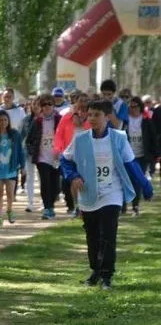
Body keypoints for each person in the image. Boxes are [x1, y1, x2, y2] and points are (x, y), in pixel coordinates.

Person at [61, 99, 153, 290]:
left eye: (97, 115)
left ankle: (106, 275)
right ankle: (95, 271)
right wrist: (73, 176)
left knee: (108, 234)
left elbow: (131, 164)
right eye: (90, 114)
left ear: (107, 117)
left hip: (112, 193)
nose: (92, 118)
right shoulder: (80, 139)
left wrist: (145, 185)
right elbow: (65, 160)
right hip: (88, 194)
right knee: (92, 235)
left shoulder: (119, 138)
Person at [26, 94, 63, 220]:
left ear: (53, 105)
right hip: (42, 158)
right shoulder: (37, 121)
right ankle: (48, 208)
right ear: (41, 106)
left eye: (49, 104)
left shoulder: (59, 119)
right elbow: (29, 139)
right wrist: (33, 151)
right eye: (44, 104)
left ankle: (51, 204)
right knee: (45, 183)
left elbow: (66, 136)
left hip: (57, 157)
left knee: (56, 186)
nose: (47, 106)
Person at [54, 94, 91, 215]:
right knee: (71, 181)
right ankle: (76, 206)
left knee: (84, 181)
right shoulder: (67, 117)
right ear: (76, 102)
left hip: (87, 155)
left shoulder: (92, 116)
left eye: (86, 100)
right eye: (81, 100)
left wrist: (82, 121)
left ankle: (85, 205)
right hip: (69, 154)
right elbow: (59, 134)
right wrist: (58, 149)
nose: (83, 103)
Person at [123, 96, 159, 216]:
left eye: (135, 106)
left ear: (140, 107)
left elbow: (153, 137)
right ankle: (123, 206)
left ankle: (135, 206)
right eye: (130, 107)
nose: (133, 109)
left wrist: (156, 154)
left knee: (137, 180)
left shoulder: (146, 120)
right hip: (127, 155)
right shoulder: (125, 120)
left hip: (142, 156)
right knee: (126, 179)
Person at [0, 111, 24, 226]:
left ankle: (10, 210)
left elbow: (20, 151)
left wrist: (22, 166)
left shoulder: (15, 135)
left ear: (8, 121)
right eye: (1, 120)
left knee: (10, 193)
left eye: (5, 120)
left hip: (11, 169)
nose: (3, 122)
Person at [20, 99, 40, 212]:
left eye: (38, 104)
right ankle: (30, 203)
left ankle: (44, 202)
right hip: (28, 152)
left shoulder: (46, 119)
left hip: (42, 153)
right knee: (30, 177)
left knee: (42, 178)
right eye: (34, 104)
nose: (36, 106)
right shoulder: (26, 120)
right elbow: (20, 136)